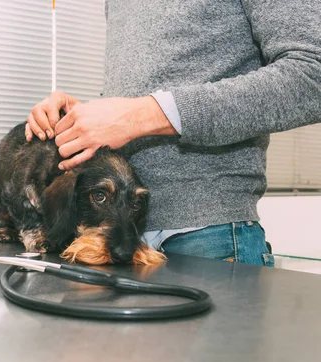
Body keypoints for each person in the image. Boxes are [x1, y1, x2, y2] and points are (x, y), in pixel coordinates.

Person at [24, 0, 321, 267]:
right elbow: (157, 91)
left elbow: (313, 75)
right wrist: (87, 118)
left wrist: (137, 115)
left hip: (208, 238)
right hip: (120, 242)